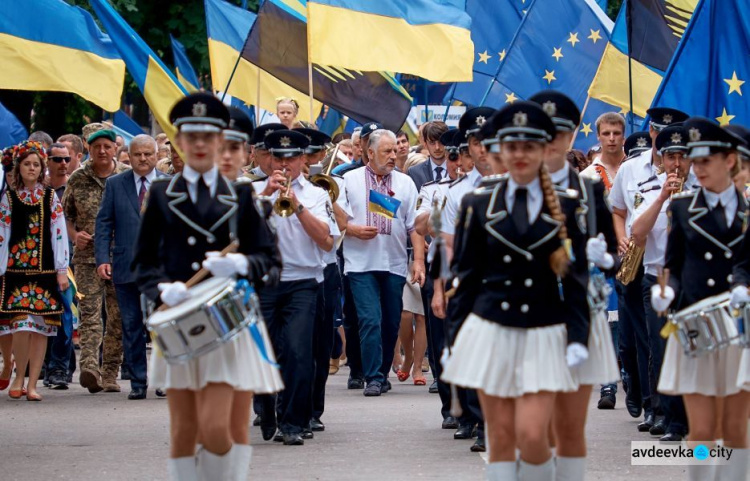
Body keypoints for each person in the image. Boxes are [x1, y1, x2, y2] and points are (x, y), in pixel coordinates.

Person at [132, 92, 283, 480]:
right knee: (183, 430)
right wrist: (162, 289)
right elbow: (143, 263)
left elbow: (270, 261)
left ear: (220, 141)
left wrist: (240, 262)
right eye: (190, 136)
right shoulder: (164, 195)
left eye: (209, 136)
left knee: (219, 429)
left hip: (229, 321)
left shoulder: (241, 195)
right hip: (180, 318)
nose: (200, 144)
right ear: (179, 142)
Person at [442, 101, 590, 481]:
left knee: (532, 433)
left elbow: (576, 283)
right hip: (492, 329)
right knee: (502, 436)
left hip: (544, 331)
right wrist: (454, 340)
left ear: (544, 150)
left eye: (529, 146)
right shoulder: (476, 205)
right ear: (498, 152)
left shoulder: (569, 208)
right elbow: (466, 279)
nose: (520, 155)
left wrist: (578, 338)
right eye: (512, 147)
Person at [529, 91, 619, 480]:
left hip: (579, 313)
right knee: (535, 429)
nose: (552, 142)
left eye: (560, 133)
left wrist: (605, 258)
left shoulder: (589, 189)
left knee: (569, 427)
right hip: (530, 316)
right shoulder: (512, 186)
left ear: (571, 137)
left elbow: (612, 254)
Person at [654, 117, 749, 481]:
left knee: (736, 426)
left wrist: (743, 285)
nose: (698, 169)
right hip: (696, 324)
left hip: (740, 327)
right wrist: (667, 291)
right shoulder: (682, 209)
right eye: (695, 161)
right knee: (703, 429)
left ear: (729, 161)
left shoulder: (748, 213)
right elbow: (673, 266)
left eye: (706, 160)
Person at [251, 129, 337, 445]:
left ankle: (293, 422)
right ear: (269, 159)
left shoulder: (316, 195)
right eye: (278, 158)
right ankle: (268, 409)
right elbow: (233, 232)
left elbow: (327, 242)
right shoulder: (252, 192)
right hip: (264, 282)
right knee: (267, 354)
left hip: (304, 282)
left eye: (291, 158)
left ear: (303, 160)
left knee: (299, 353)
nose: (285, 164)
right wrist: (263, 197)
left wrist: (297, 206)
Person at [609, 107, 689, 431]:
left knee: (683, 346)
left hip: (688, 274)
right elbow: (619, 212)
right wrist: (620, 240)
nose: (674, 159)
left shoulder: (697, 176)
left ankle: (676, 413)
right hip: (647, 266)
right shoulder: (632, 170)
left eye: (680, 151)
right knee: (647, 342)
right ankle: (655, 407)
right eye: (658, 135)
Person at [343, 129, 425, 397]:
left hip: (394, 263)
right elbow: (337, 217)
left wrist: (419, 262)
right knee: (369, 319)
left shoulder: (404, 183)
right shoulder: (349, 180)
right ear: (369, 153)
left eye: (394, 151)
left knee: (391, 322)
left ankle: (381, 371)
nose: (393, 155)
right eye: (386, 151)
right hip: (360, 263)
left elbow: (415, 226)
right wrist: (353, 230)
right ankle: (374, 377)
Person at [434, 108, 496, 450]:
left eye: (489, 141)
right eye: (476, 142)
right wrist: (441, 290)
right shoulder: (457, 195)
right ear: (468, 148)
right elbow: (446, 248)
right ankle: (481, 422)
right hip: (471, 285)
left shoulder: (525, 185)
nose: (483, 149)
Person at [629, 125, 692, 442]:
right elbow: (638, 233)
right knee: (662, 349)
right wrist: (663, 197)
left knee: (695, 350)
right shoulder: (645, 188)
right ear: (662, 159)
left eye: (683, 156)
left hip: (693, 281)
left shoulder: (701, 190)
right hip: (658, 279)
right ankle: (671, 420)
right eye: (671, 156)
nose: (677, 163)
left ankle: (694, 417)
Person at [94, 135, 166, 400]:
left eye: (148, 154)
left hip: (162, 269)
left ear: (157, 155)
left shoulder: (169, 185)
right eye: (138, 154)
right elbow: (103, 224)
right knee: (132, 325)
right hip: (125, 266)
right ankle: (137, 382)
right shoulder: (115, 184)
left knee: (163, 325)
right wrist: (102, 258)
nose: (143, 159)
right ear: (129, 155)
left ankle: (163, 379)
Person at [61, 129, 130, 394]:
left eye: (107, 146)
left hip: (119, 256)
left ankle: (110, 371)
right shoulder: (78, 178)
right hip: (88, 257)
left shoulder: (125, 175)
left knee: (118, 317)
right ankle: (89, 367)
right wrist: (74, 235)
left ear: (115, 149)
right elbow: (65, 216)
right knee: (90, 314)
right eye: (96, 146)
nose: (102, 151)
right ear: (88, 150)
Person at [0, 141, 69, 401]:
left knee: (41, 328)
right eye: (27, 164)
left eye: (36, 165)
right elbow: (2, 234)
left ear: (42, 169)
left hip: (45, 271)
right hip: (15, 271)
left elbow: (59, 233)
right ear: (19, 167)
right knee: (20, 325)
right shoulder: (9, 198)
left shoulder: (50, 198)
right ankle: (19, 376)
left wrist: (62, 270)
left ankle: (32, 385)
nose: (31, 168)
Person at [44, 143, 77, 389]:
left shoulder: (75, 186)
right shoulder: (36, 188)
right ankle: (47, 366)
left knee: (65, 315)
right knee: (42, 315)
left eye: (66, 159)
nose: (63, 164)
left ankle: (59, 368)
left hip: (70, 261)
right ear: (48, 162)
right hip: (37, 260)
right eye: (57, 159)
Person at [219, 107, 254, 182]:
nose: (227, 156)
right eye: (220, 148)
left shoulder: (252, 190)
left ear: (244, 153)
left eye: (234, 148)